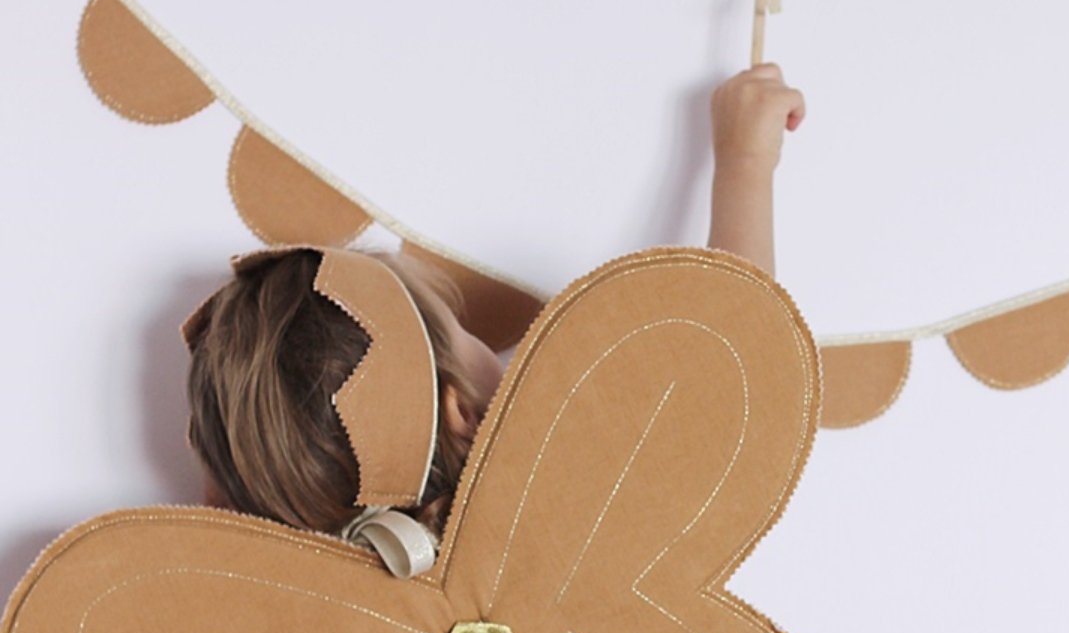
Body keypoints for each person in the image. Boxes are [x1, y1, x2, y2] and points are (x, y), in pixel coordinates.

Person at [184, 63, 806, 543]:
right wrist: (747, 163)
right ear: (463, 413)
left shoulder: (318, 627)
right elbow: (736, 372)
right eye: (462, 330)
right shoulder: (567, 529)